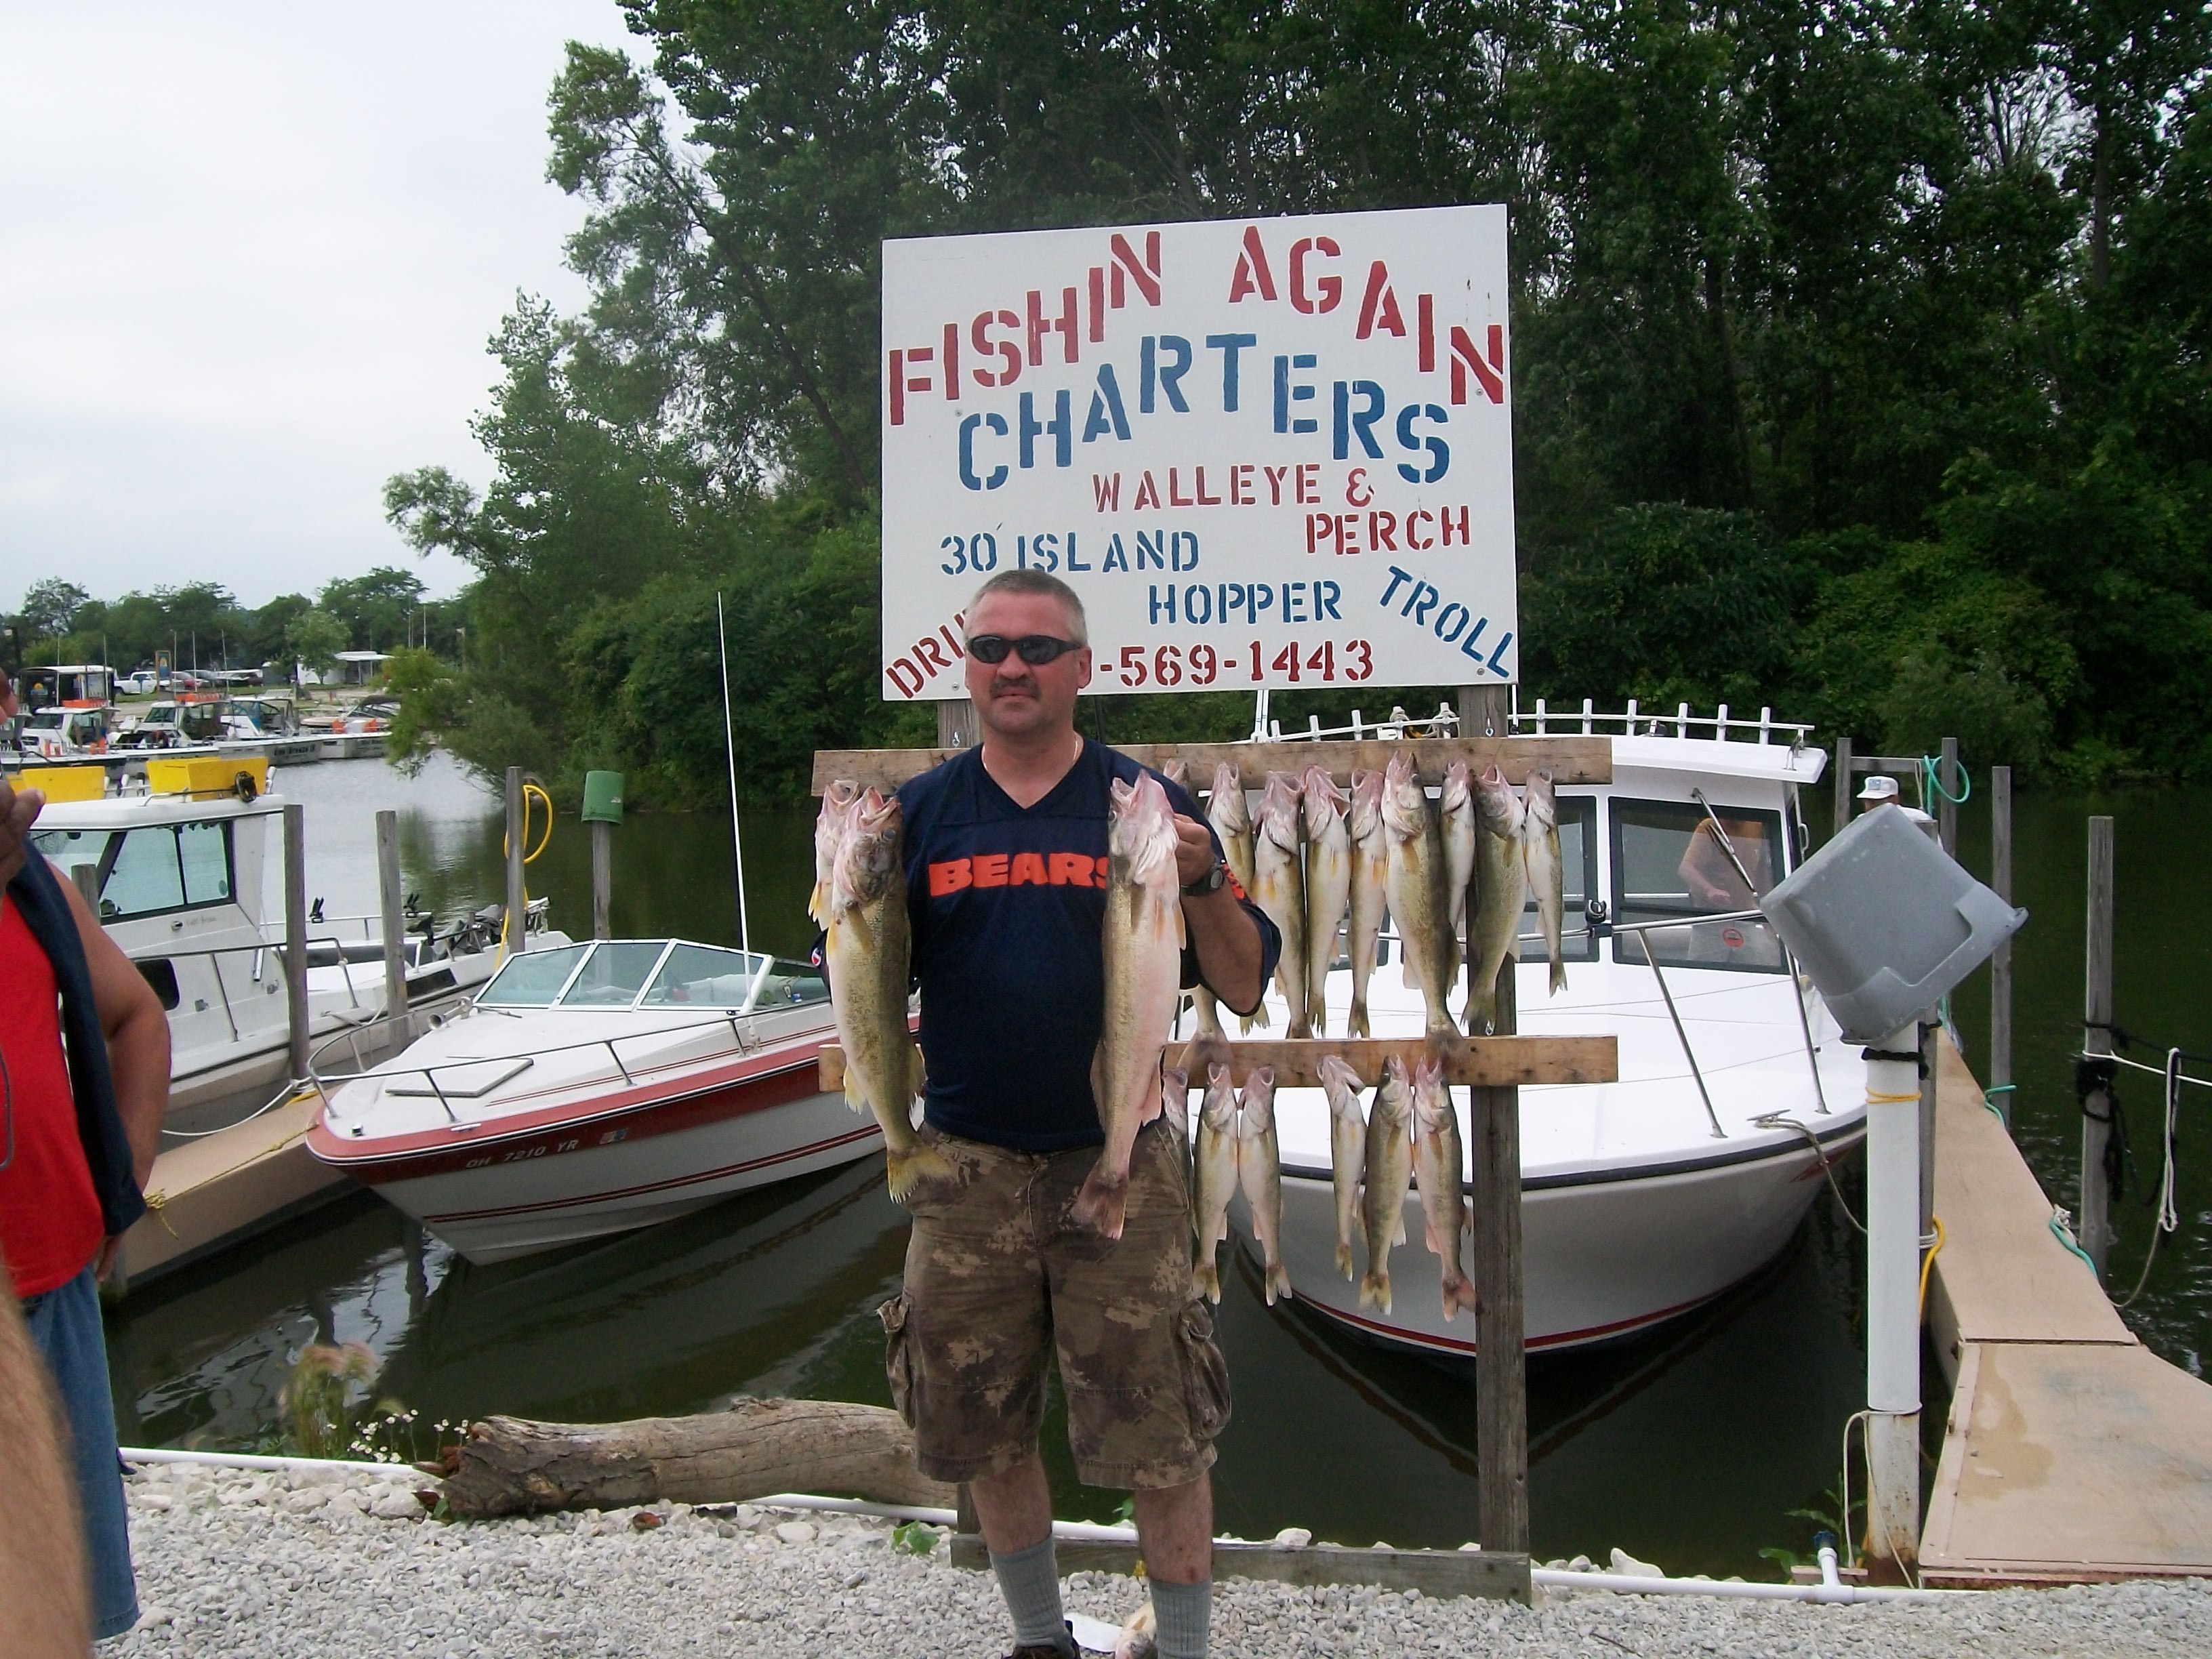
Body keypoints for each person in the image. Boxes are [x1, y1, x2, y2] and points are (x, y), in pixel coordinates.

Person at [873, 571, 1276, 1659]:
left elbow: (1242, 985)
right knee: (985, 1430)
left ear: (1083, 669)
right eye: (993, 646)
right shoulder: (916, 815)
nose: (1014, 666)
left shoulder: (1144, 806)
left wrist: (1207, 880)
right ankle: (1041, 1640)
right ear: (967, 665)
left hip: (1125, 1165)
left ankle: (1185, 1648)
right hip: (962, 1171)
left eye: (1040, 649)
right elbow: (859, 972)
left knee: (1163, 1434)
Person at [0, 668, 171, 1641]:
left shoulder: (36, 891)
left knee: (64, 1610)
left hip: (52, 1287)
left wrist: (121, 1192)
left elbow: (134, 1019)